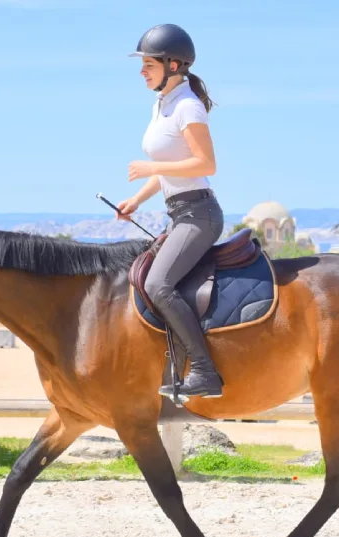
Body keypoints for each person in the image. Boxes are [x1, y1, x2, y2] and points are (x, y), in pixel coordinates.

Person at [116, 23, 225, 399]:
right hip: (179, 213)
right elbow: (171, 163)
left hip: (200, 215)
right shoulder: (160, 105)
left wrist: (152, 169)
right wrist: (137, 200)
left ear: (173, 64)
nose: (142, 72)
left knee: (157, 284)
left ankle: (206, 372)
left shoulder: (188, 107)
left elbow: (205, 164)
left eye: (149, 65)